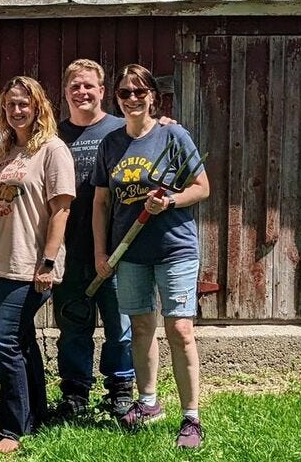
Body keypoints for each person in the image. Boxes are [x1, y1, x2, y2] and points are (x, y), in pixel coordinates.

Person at [92, 64, 210, 449]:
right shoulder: (111, 144)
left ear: (153, 96)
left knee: (179, 330)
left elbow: (202, 187)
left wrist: (171, 201)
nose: (132, 99)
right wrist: (101, 250)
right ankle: (148, 402)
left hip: (174, 247)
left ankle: (191, 417)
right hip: (130, 252)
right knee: (141, 327)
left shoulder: (173, 135)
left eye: (139, 92)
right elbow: (101, 202)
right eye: (125, 93)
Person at [0, 76, 76, 453]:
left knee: (3, 339)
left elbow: (61, 210)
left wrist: (47, 261)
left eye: (24, 104)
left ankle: (12, 427)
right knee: (22, 339)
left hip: (30, 264)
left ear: (38, 107)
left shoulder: (51, 149)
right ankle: (36, 413)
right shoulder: (0, 151)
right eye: (11, 104)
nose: (17, 110)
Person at [51, 59, 135, 419]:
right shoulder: (52, 136)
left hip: (118, 250)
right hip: (70, 249)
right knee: (72, 324)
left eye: (89, 86)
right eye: (75, 86)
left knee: (120, 325)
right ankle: (75, 394)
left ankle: (120, 390)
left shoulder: (124, 130)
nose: (82, 92)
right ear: (66, 92)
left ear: (102, 91)